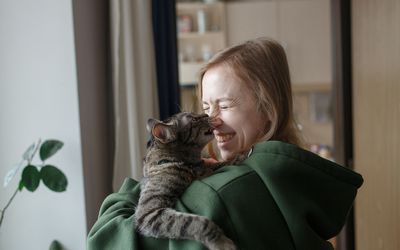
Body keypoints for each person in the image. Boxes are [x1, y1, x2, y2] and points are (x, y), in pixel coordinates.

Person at [87, 38, 363, 250]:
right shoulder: (286, 176)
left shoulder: (223, 193)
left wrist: (143, 184)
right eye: (206, 107)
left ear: (268, 109)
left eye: (225, 105)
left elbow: (103, 240)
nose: (212, 121)